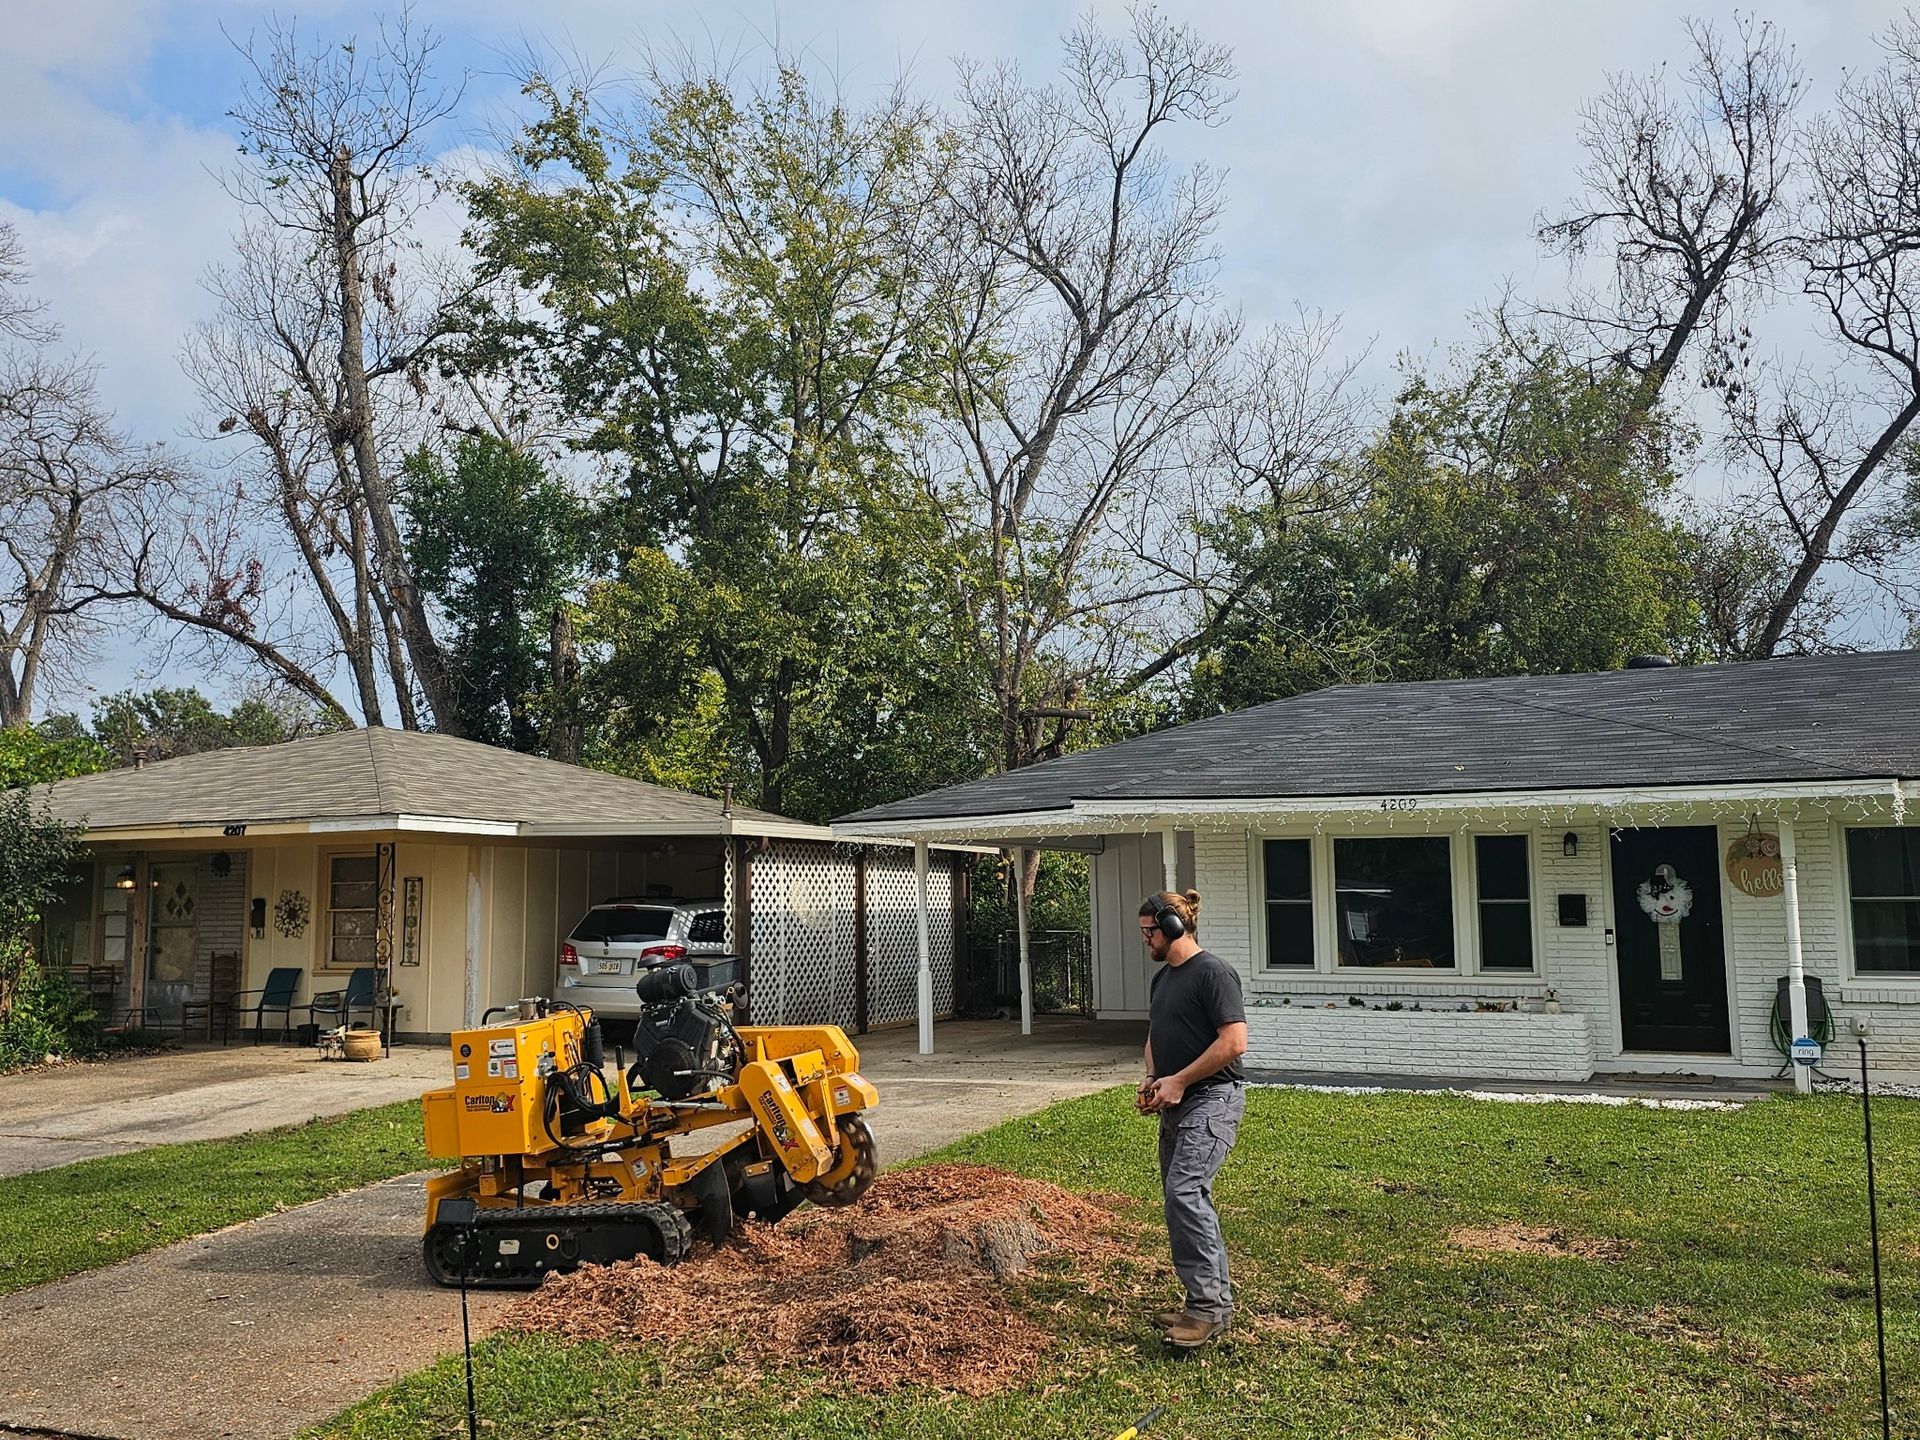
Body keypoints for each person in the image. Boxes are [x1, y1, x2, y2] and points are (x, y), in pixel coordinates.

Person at [1134, 887, 1247, 1349]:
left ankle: (1207, 1311)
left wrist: (1180, 1080)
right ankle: (1207, 1301)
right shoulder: (1164, 979)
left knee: (1185, 1193)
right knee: (1180, 1198)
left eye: (1148, 932)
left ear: (1173, 928)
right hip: (1177, 1102)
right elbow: (1155, 1034)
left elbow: (1234, 1042)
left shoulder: (1213, 974)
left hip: (1212, 1100)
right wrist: (1153, 1076)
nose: (1145, 940)